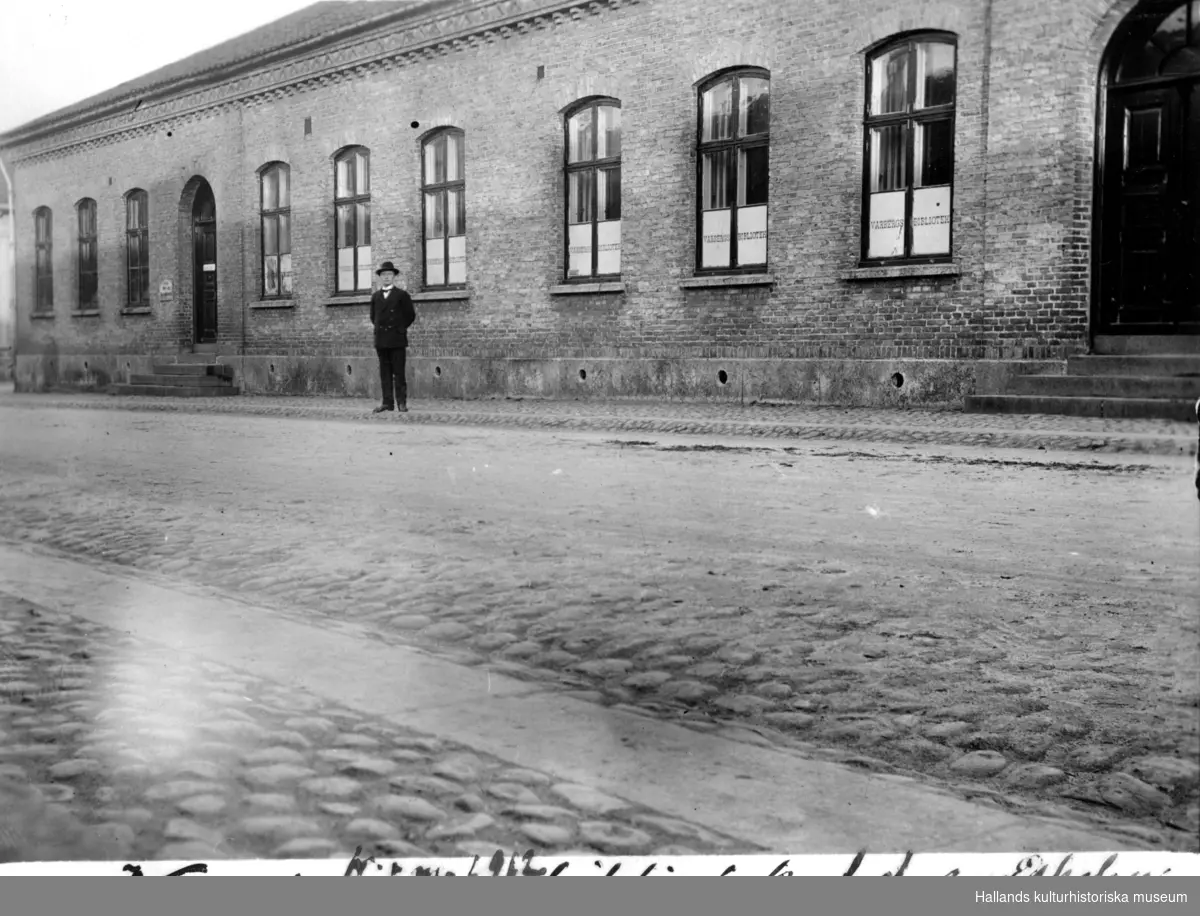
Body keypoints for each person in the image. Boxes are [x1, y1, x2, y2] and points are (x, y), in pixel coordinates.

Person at [369, 261, 416, 414]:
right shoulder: (375, 297)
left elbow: (410, 315)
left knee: (399, 373)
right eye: (384, 275)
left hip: (397, 340)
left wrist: (400, 329)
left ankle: (401, 402)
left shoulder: (402, 295)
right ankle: (387, 403)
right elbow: (373, 317)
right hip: (381, 340)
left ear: (394, 277)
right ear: (380, 278)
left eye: (389, 274)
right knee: (385, 373)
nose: (387, 277)